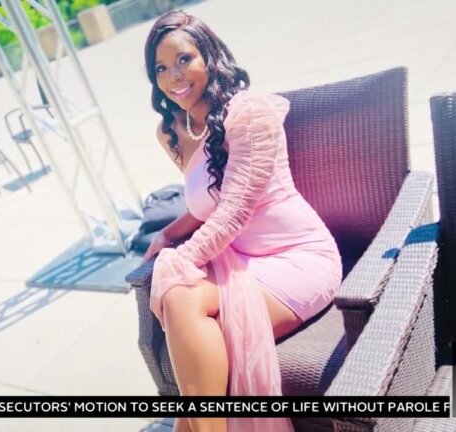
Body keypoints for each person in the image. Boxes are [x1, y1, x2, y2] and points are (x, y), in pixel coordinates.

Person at [143, 11, 342, 432]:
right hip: (241, 261)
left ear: (210, 56)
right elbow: (205, 206)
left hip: (297, 260)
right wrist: (168, 233)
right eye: (160, 68)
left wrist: (183, 259)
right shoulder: (173, 132)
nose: (173, 76)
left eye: (184, 59)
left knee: (179, 292)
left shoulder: (250, 113)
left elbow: (233, 210)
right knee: (181, 302)